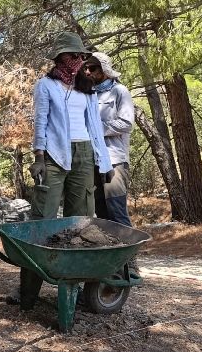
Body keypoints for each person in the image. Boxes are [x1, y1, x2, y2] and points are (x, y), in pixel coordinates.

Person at [29, 31, 111, 220]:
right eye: (73, 55)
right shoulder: (46, 84)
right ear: (60, 57)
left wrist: (105, 163)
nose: (78, 60)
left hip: (84, 152)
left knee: (82, 214)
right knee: (44, 210)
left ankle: (74, 248)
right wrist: (39, 156)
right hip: (54, 153)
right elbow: (40, 121)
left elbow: (95, 127)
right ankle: (40, 248)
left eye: (81, 56)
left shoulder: (87, 87)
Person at [83, 52, 135, 226]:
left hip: (115, 160)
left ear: (104, 69)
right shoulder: (87, 94)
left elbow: (126, 123)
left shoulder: (119, 91)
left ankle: (129, 252)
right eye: (85, 68)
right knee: (101, 213)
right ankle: (110, 251)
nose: (88, 72)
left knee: (116, 211)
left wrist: (97, 130)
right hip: (92, 161)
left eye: (92, 68)